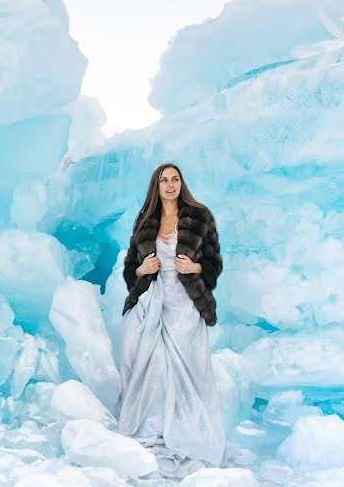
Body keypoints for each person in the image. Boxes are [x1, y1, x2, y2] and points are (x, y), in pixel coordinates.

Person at [117, 162, 225, 477]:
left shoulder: (200, 217)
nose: (170, 184)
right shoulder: (145, 220)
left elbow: (214, 263)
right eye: (164, 180)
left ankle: (189, 435)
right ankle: (154, 430)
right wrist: (140, 271)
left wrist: (198, 269)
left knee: (188, 373)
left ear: (181, 183)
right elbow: (129, 268)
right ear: (157, 185)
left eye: (175, 179)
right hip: (153, 302)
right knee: (149, 368)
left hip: (186, 306)